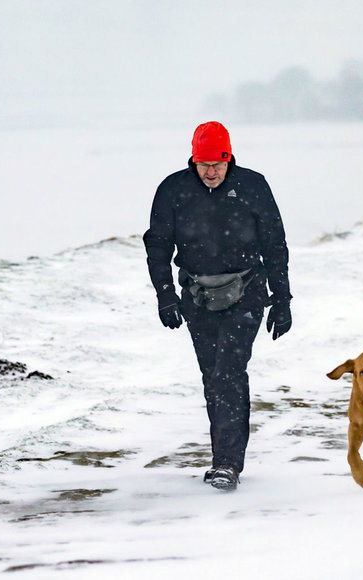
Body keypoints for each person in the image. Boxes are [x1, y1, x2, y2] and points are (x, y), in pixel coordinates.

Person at [143, 121, 292, 491]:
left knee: (229, 372)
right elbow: (158, 246)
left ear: (229, 159)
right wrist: (165, 296)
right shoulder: (173, 190)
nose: (211, 173)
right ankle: (221, 458)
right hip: (197, 299)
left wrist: (282, 300)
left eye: (218, 165)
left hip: (247, 293)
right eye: (204, 165)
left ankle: (228, 464)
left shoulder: (252, 187)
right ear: (193, 160)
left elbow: (275, 244)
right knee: (213, 379)